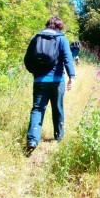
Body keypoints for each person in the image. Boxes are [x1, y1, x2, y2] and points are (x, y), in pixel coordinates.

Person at [24, 16, 75, 155]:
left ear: (47, 25)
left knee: (37, 109)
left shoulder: (36, 38)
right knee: (57, 108)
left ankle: (32, 140)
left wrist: (35, 73)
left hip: (39, 81)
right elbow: (68, 58)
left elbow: (27, 59)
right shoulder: (61, 38)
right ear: (59, 27)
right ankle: (58, 136)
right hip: (57, 81)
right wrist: (72, 77)